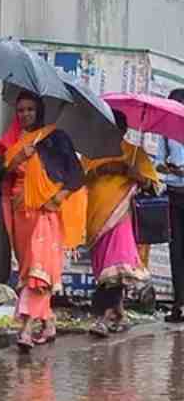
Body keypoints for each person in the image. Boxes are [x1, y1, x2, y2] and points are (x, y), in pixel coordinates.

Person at [0, 91, 85, 350]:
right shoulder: (12, 142)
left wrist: (59, 197)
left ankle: (25, 328)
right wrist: (17, 160)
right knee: (30, 271)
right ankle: (48, 323)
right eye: (20, 110)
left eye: (30, 110)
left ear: (40, 112)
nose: (25, 115)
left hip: (46, 212)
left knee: (38, 271)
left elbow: (76, 175)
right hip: (20, 213)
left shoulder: (54, 138)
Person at [82, 110, 160, 337]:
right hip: (95, 219)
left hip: (120, 216)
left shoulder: (134, 153)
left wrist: (135, 174)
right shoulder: (92, 152)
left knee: (115, 267)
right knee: (105, 269)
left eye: (115, 128)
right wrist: (101, 170)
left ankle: (104, 318)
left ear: (123, 130)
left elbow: (154, 187)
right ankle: (119, 313)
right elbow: (79, 179)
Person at [158, 88, 184, 323]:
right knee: (175, 252)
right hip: (173, 196)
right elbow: (158, 165)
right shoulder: (165, 135)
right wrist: (167, 167)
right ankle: (179, 305)